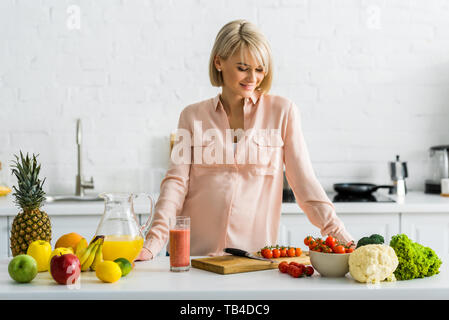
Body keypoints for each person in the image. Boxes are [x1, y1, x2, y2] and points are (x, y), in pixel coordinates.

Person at [136, 19, 353, 261]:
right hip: (195, 257)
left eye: (260, 69)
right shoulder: (191, 116)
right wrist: (152, 243)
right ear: (219, 61)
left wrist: (343, 239)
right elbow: (175, 185)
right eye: (242, 67)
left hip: (254, 259)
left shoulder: (283, 112)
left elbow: (305, 185)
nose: (253, 77)